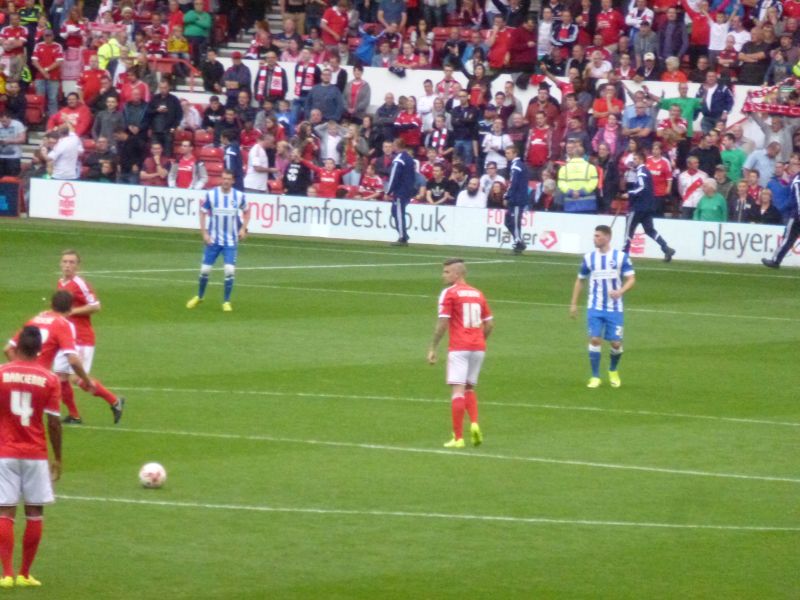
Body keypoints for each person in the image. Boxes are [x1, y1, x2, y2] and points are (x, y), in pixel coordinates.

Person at [0, 326, 62, 588]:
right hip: (35, 453)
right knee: (35, 511)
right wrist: (57, 457)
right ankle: (25, 574)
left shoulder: (1, 374)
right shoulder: (49, 379)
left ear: (17, 347)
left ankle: (6, 574)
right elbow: (54, 422)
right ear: (39, 349)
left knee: (5, 512)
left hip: (5, 452)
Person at [427, 258, 493, 449]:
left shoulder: (449, 293)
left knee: (457, 391)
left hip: (459, 347)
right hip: (478, 347)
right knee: (470, 388)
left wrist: (433, 347)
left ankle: (458, 438)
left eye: (447, 272)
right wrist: (480, 340)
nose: (443, 275)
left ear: (457, 274)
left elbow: (442, 323)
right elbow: (489, 324)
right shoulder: (478, 293)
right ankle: (474, 423)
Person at [54, 250, 125, 424]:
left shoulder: (79, 284)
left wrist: (71, 312)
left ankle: (114, 401)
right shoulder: (61, 283)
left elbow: (96, 306)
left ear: (78, 266)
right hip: (67, 338)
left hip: (82, 339)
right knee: (60, 376)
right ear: (60, 264)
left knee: (77, 378)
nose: (68, 265)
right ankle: (74, 416)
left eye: (72, 262)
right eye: (65, 262)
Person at [569, 225, 635, 389]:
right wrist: (574, 303)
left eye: (598, 236)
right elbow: (580, 280)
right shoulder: (589, 258)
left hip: (614, 308)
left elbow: (631, 279)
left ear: (607, 237)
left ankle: (613, 370)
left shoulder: (620, 257)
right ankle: (595, 376)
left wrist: (620, 291)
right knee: (595, 339)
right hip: (595, 307)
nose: (595, 238)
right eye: (594, 236)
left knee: (616, 344)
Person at [186, 171, 250, 312]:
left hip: (230, 241)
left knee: (229, 270)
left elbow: (247, 211)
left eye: (229, 179)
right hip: (213, 240)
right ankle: (199, 296)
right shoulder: (211, 194)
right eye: (224, 178)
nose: (226, 181)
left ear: (233, 181)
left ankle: (226, 301)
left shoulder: (238, 196)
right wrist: (204, 233)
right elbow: (202, 212)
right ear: (221, 179)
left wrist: (243, 229)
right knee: (205, 270)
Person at [622, 151, 676, 260]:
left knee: (629, 230)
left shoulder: (641, 171)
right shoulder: (645, 171)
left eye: (636, 159)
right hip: (647, 207)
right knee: (650, 230)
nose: (634, 161)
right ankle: (665, 248)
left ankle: (624, 254)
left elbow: (642, 187)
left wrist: (630, 193)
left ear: (641, 160)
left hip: (638, 207)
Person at [762, 168, 800, 268]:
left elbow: (798, 199)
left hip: (797, 216)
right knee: (788, 239)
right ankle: (776, 260)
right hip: (796, 215)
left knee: (788, 239)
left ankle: (775, 261)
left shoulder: (797, 181)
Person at [387, 138, 415, 246]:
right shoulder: (409, 158)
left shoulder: (399, 159)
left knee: (398, 212)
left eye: (393, 145)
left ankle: (402, 237)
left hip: (400, 191)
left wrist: (388, 191)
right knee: (395, 211)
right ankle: (403, 235)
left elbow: (394, 177)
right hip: (407, 189)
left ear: (397, 146)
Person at [504, 145, 530, 254]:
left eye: (509, 153)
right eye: (506, 153)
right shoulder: (519, 165)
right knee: (508, 221)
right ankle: (518, 241)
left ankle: (517, 242)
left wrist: (507, 195)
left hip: (516, 199)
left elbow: (513, 183)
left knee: (514, 222)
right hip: (518, 198)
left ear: (515, 154)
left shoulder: (516, 166)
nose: (507, 155)